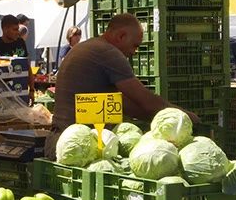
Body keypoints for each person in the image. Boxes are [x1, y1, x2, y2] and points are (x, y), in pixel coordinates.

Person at [53, 14, 200, 131]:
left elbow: (127, 105)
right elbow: (146, 101)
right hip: (81, 140)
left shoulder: (88, 46)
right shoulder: (107, 52)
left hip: (63, 138)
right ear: (121, 36)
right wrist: (185, 117)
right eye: (134, 45)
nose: (133, 52)